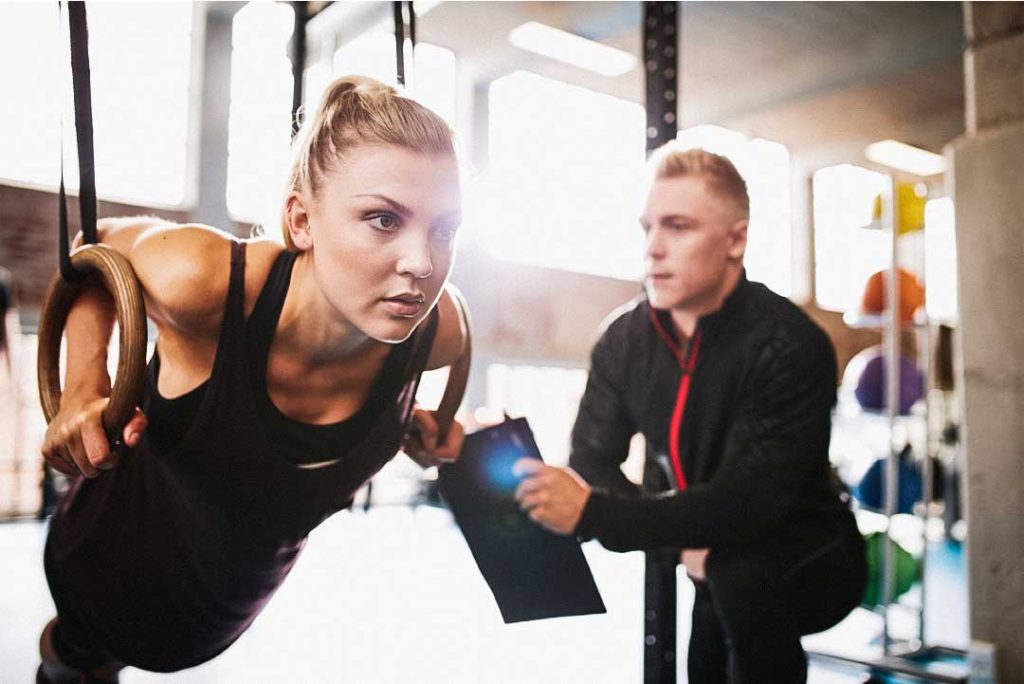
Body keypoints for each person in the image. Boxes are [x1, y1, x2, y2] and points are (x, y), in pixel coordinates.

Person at [38, 75, 467, 683]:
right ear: (302, 220)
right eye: (382, 220)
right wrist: (85, 389)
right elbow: (93, 252)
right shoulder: (205, 283)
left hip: (221, 614)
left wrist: (404, 423)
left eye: (445, 229)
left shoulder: (437, 335)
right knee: (80, 662)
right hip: (104, 573)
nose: (423, 263)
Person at [513, 146, 866, 683]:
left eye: (678, 227)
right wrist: (669, 537)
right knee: (709, 639)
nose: (653, 248)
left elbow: (749, 502)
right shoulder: (623, 340)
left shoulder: (790, 343)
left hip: (807, 550)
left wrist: (598, 516)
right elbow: (593, 457)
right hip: (704, 548)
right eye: (647, 227)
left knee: (738, 573)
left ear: (735, 240)